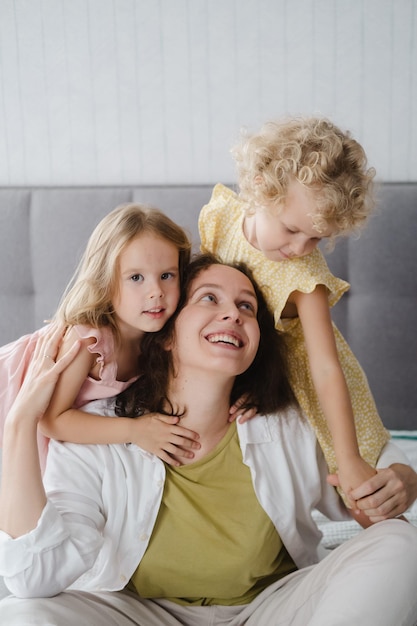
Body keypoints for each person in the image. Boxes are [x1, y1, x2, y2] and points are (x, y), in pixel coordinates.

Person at [0, 254, 416, 626]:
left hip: (273, 607)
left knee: (400, 545)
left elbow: (371, 461)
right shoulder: (99, 432)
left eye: (246, 306)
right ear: (165, 332)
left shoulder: (287, 420)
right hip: (140, 612)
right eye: (209, 298)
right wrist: (20, 426)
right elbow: (33, 578)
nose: (232, 315)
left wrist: (402, 477)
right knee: (21, 613)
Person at [199, 115, 390, 506]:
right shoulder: (223, 219)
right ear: (260, 189)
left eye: (317, 237)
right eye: (291, 230)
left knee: (359, 491)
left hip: (318, 384)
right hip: (260, 372)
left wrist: (350, 456)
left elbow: (325, 367)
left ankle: (392, 544)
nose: (302, 248)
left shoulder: (306, 278)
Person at [0, 202, 201, 470]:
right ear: (106, 281)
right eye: (136, 278)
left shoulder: (166, 335)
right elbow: (52, 420)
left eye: (166, 275)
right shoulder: (88, 340)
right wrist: (135, 431)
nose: (156, 291)